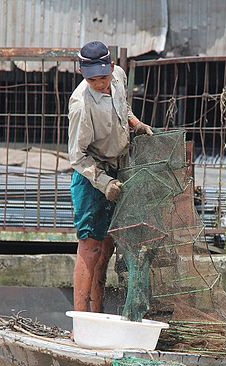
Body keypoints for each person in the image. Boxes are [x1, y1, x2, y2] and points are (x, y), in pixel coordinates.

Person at [67, 40, 153, 312]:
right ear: (83, 74)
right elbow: (77, 157)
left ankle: (98, 312)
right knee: (90, 247)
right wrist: (104, 183)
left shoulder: (118, 77)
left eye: (103, 77)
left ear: (112, 68)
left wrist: (135, 124)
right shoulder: (81, 105)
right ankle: (80, 322)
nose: (101, 84)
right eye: (93, 80)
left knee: (107, 247)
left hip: (119, 168)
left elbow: (122, 108)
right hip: (91, 176)